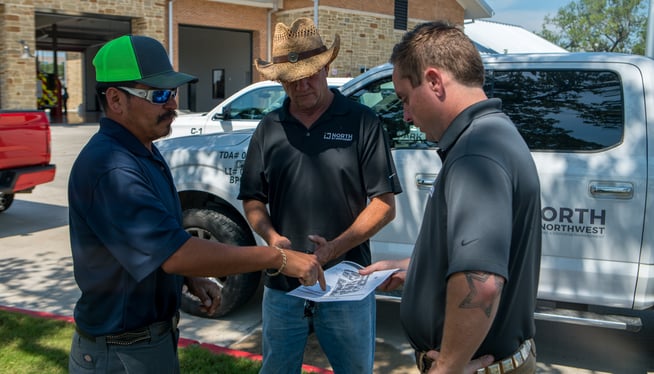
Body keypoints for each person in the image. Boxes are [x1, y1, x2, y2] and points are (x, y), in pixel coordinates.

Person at [67, 34, 325, 374]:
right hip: (120, 353)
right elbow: (175, 253)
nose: (173, 104)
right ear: (116, 99)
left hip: (145, 343)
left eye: (173, 93)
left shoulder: (142, 150)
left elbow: (153, 243)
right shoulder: (111, 168)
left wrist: (190, 278)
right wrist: (277, 257)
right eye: (159, 95)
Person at [360, 21, 542, 374]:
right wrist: (415, 270)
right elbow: (481, 259)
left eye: (405, 99)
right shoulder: (492, 135)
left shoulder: (476, 153)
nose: (407, 116)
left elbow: (483, 283)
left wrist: (445, 369)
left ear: (433, 81)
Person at [238, 17, 402, 374]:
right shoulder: (269, 128)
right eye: (291, 79)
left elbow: (384, 205)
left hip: (347, 285)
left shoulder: (362, 122)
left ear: (327, 66)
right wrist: (273, 240)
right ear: (280, 79)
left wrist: (335, 247)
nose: (302, 84)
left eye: (311, 72)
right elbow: (252, 199)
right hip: (283, 284)